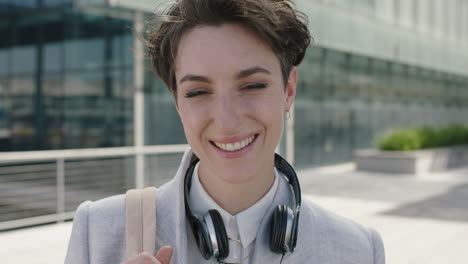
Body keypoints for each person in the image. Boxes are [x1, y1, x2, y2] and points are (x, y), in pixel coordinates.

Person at [65, 0, 385, 263]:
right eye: (198, 92)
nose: (227, 121)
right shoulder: (101, 231)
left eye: (253, 85)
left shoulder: (356, 250)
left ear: (288, 90)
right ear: (178, 102)